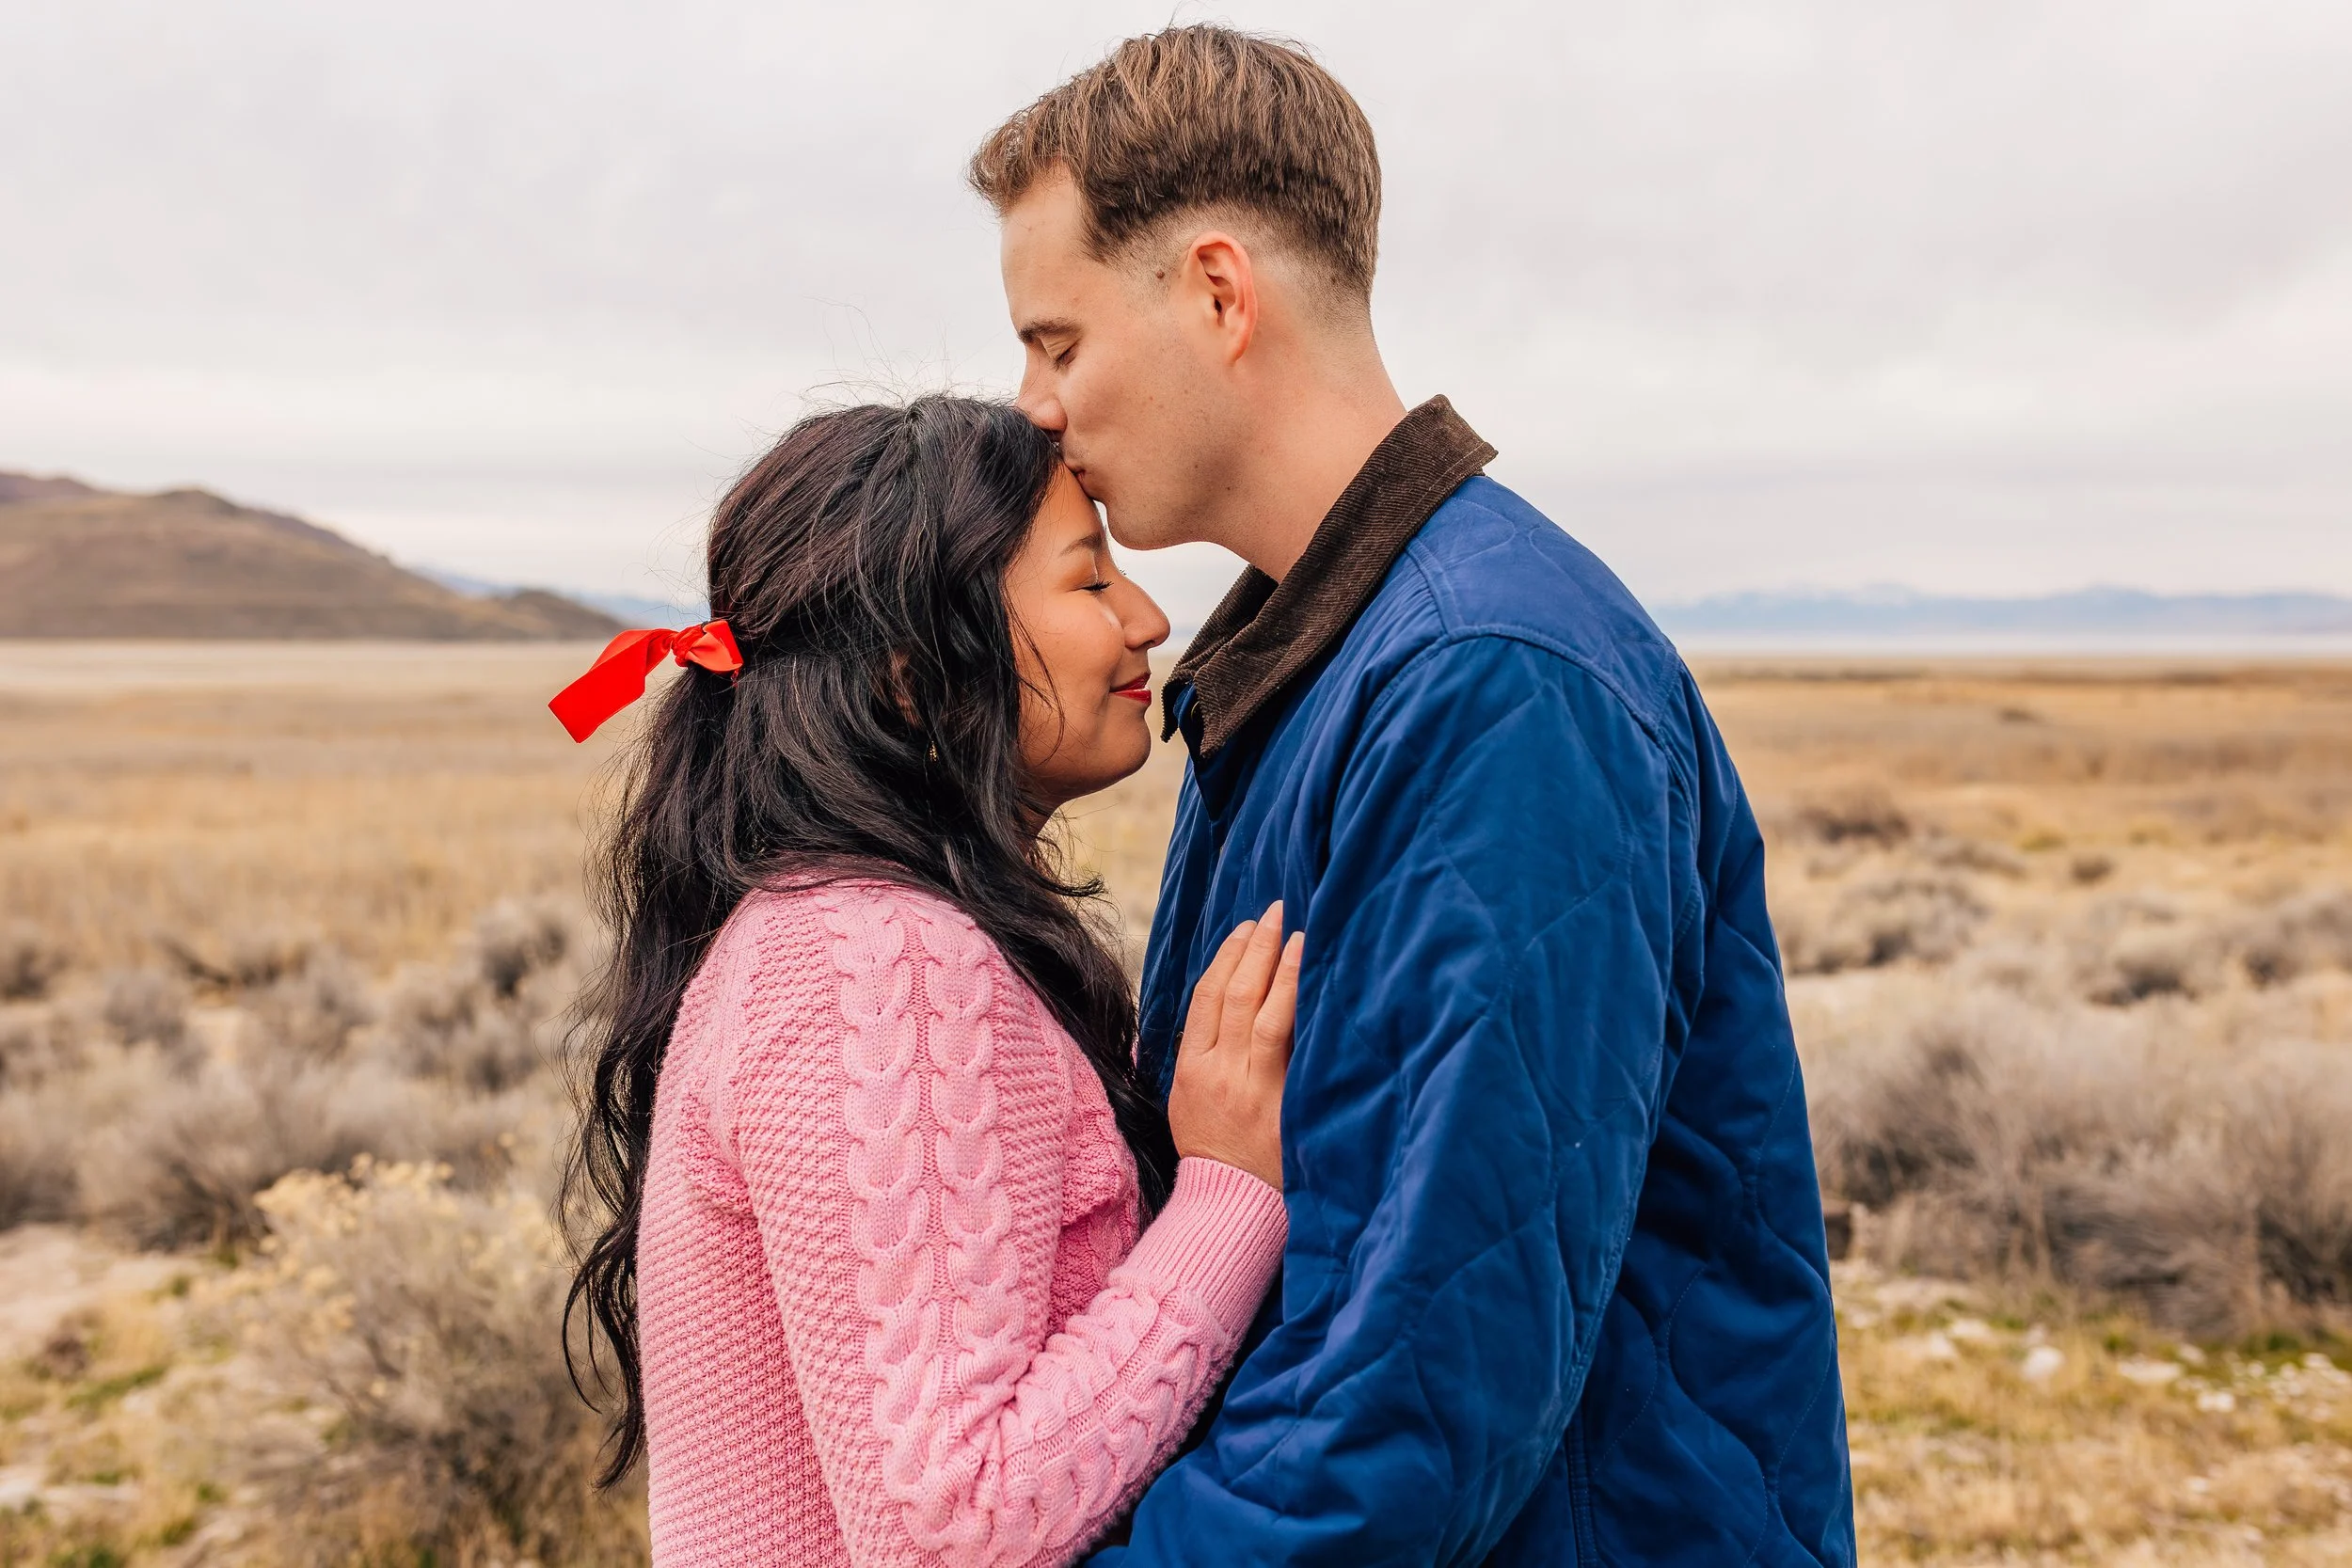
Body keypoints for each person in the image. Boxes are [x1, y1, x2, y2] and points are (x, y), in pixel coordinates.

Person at [968, 25, 1855, 1566]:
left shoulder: (1494, 683)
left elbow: (1419, 1399)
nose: (1034, 406)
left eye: (1057, 342)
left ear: (1219, 294)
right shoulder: (1318, 665)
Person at [559, 398, 1306, 1565]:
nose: (1151, 619)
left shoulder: (830, 929)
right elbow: (955, 1528)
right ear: (913, 678)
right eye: (1091, 581)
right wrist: (1226, 1194)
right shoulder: (879, 963)